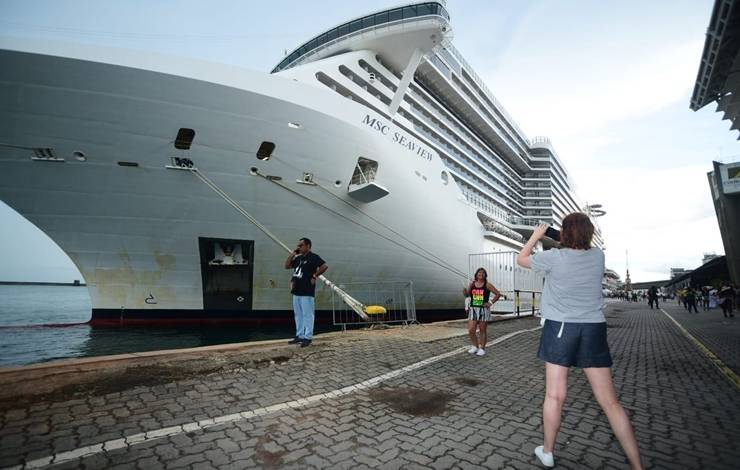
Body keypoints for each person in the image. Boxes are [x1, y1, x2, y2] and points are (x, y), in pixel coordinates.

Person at [517, 214, 643, 469]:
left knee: (555, 395)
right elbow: (580, 249)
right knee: (610, 402)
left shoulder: (554, 258)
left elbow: (521, 260)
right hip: (594, 328)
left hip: (561, 327)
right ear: (588, 233)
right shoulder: (598, 257)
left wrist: (535, 237)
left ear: (564, 233)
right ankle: (638, 466)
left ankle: (548, 451)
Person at [284, 237, 327, 347]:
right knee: (298, 315)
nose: (299, 247)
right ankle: (300, 335)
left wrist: (315, 275)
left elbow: (324, 266)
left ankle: (308, 337)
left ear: (308, 246)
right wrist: (293, 254)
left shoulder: (314, 257)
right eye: (298, 245)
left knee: (307, 315)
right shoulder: (298, 258)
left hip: (307, 290)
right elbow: (287, 266)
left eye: (301, 245)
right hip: (296, 290)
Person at [462, 268, 502, 356]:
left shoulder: (487, 285)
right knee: (471, 330)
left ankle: (482, 348)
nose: (481, 274)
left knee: (482, 330)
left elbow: (498, 294)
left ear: (485, 275)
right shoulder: (472, 284)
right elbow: (467, 295)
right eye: (479, 272)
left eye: (483, 273)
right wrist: (464, 292)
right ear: (476, 274)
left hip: (483, 310)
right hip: (473, 309)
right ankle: (475, 346)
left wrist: (490, 303)